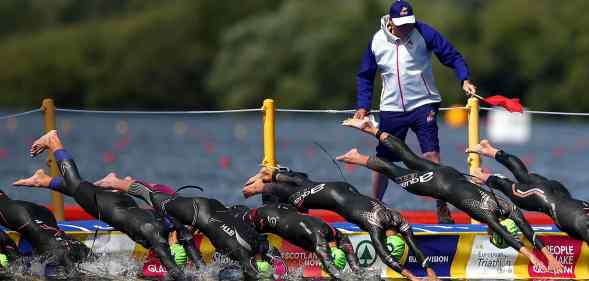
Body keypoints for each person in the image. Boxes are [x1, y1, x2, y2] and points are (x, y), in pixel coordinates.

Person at [336, 118, 564, 273]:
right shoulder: (486, 214)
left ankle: (370, 128)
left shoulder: (506, 206)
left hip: (449, 174)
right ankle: (358, 157)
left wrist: (547, 255)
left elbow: (528, 231)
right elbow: (512, 234)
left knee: (409, 156)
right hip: (435, 185)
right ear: (493, 229)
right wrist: (532, 257)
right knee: (395, 171)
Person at [355, 0, 477, 224]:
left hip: (424, 103)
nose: (406, 28)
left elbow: (452, 56)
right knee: (384, 159)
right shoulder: (377, 42)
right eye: (401, 24)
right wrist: (362, 106)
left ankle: (441, 205)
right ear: (390, 21)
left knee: (430, 155)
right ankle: (376, 207)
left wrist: (464, 79)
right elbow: (365, 76)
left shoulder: (423, 32)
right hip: (391, 108)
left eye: (409, 23)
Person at [14, 130, 189, 281]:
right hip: (107, 208)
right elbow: (172, 269)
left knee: (81, 189)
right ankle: (53, 141)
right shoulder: (156, 236)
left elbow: (181, 235)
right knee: (75, 183)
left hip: (123, 204)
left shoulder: (167, 224)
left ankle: (44, 180)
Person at [242, 168, 437, 281]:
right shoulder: (374, 225)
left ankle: (273, 174)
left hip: (343, 188)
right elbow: (387, 257)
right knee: (297, 195)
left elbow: (414, 246)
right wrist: (411, 277)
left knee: (308, 183)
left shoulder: (398, 217)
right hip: (330, 198)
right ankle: (261, 185)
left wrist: (429, 270)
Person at [91, 173, 285, 281]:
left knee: (157, 198)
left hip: (213, 209)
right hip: (198, 211)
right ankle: (113, 180)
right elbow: (253, 272)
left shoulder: (259, 244)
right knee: (150, 195)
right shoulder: (247, 254)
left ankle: (123, 181)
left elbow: (273, 260)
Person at [466, 139, 589, 246]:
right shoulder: (585, 228)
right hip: (541, 196)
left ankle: (489, 150)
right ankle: (480, 175)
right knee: (509, 188)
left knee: (523, 175)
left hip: (558, 189)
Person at [228, 203, 362, 280]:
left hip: (278, 210)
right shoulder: (322, 236)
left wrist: (357, 271)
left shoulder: (329, 230)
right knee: (260, 250)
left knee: (267, 252)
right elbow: (331, 268)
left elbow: (344, 246)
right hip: (254, 219)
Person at [0, 189, 90, 279]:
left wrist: (14, 268)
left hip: (55, 257)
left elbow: (6, 241)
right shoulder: (27, 207)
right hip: (75, 246)